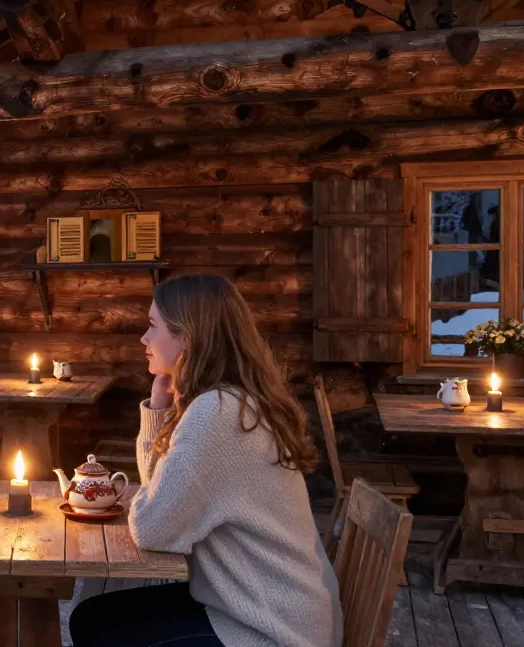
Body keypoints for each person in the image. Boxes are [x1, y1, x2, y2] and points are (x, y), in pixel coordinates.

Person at [70, 274, 342, 647]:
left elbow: (152, 528)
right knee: (92, 619)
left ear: (187, 336)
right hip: (263, 609)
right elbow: (162, 496)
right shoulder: (229, 402)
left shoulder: (216, 413)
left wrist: (146, 498)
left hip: (271, 630)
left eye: (153, 326)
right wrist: (159, 409)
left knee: (100, 629)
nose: (144, 339)